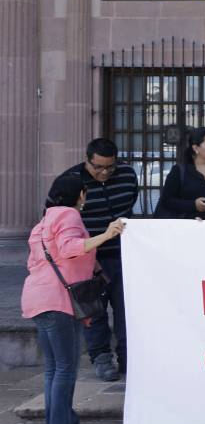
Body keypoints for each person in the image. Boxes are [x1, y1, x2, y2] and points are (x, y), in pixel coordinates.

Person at [22, 173, 125, 424]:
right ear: (80, 195)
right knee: (66, 369)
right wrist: (107, 234)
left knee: (53, 370)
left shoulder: (43, 221)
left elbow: (35, 262)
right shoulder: (68, 215)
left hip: (36, 299)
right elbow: (69, 249)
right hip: (58, 302)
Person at [52, 138, 138, 382]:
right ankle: (101, 358)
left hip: (123, 253)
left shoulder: (128, 175)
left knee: (126, 308)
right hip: (88, 256)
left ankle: (128, 358)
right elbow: (52, 216)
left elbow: (130, 204)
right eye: (98, 167)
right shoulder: (70, 180)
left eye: (110, 167)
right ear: (86, 160)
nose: (104, 172)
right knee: (94, 309)